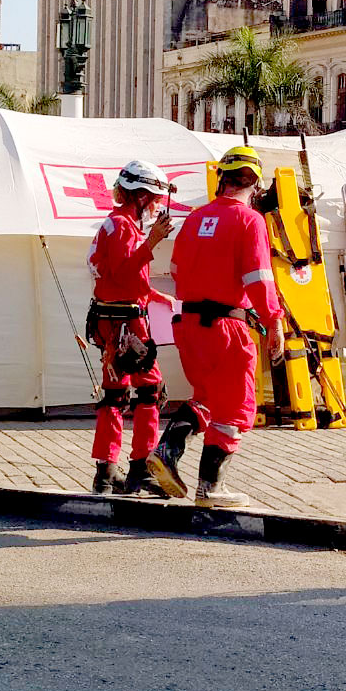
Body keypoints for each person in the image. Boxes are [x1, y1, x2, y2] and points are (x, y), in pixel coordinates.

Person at [147, 146, 285, 508]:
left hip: (190, 324)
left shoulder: (195, 218)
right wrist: (274, 322)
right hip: (227, 328)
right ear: (254, 184)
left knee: (207, 398)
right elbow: (259, 279)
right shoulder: (250, 221)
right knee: (237, 406)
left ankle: (166, 451)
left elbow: (176, 272)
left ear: (222, 178)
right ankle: (210, 489)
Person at [85, 161, 178, 496]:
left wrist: (152, 294)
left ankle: (106, 473)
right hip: (128, 324)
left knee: (114, 395)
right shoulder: (125, 227)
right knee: (151, 391)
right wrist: (151, 242)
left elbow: (114, 278)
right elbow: (125, 273)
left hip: (110, 321)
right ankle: (142, 468)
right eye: (153, 199)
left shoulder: (113, 225)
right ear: (139, 196)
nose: (156, 207)